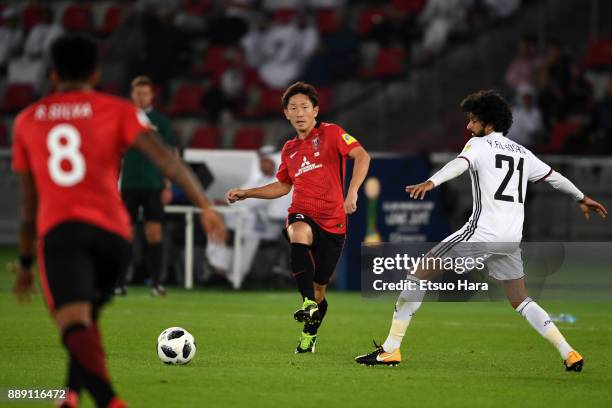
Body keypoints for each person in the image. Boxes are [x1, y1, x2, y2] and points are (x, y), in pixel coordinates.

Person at [11, 34, 225, 408]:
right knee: (86, 322)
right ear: (96, 72)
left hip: (62, 231)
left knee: (73, 326)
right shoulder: (116, 109)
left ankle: (110, 401)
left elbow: (28, 204)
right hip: (114, 234)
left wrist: (27, 260)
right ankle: (71, 396)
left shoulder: (28, 120)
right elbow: (167, 160)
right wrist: (204, 205)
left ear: (54, 73)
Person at [355, 90, 607, 370]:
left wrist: (432, 182)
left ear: (488, 124)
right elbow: (554, 178)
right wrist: (581, 197)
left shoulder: (479, 145)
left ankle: (391, 349)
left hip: (481, 234)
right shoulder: (523, 153)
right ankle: (568, 352)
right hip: (511, 239)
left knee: (417, 274)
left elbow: (458, 165)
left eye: (473, 121)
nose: (468, 127)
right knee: (520, 299)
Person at [227, 81, 370, 353]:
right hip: (302, 211)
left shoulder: (332, 133)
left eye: (305, 106)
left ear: (315, 110)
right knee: (298, 231)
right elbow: (282, 185)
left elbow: (362, 156)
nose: (299, 112)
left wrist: (352, 192)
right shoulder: (289, 149)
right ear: (286, 114)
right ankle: (306, 303)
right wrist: (248, 193)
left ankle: (310, 331)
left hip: (334, 221)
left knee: (320, 290)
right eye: (293, 107)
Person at [116, 75, 177, 296]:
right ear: (132, 95)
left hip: (153, 185)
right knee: (126, 234)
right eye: (137, 93)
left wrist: (168, 184)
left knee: (154, 233)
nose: (141, 97)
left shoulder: (160, 122)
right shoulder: (123, 119)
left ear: (151, 95)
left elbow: (171, 154)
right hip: (128, 185)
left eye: (145, 93)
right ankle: (120, 283)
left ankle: (156, 283)